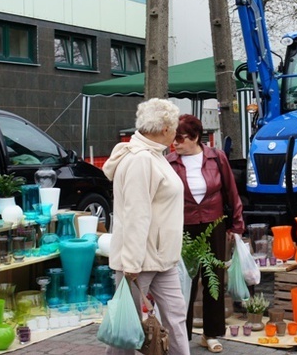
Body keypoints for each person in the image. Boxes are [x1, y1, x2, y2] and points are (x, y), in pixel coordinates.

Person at [102, 98, 190, 355]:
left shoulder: (155, 156)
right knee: (124, 333)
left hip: (162, 257)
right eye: (174, 128)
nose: (176, 134)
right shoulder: (141, 160)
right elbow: (135, 215)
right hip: (139, 260)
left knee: (176, 318)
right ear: (165, 129)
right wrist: (130, 263)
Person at [166, 114, 245, 354]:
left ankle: (211, 334)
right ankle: (181, 336)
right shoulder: (168, 162)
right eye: (173, 138)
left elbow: (231, 192)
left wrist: (236, 225)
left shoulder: (216, 157)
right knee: (182, 282)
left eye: (180, 138)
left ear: (195, 137)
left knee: (214, 280)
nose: (175, 143)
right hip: (182, 226)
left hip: (215, 223)